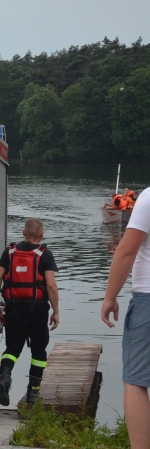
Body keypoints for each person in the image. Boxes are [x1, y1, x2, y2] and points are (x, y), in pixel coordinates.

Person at [0, 218, 60, 406]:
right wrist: (56, 311)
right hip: (37, 309)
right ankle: (32, 394)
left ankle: (4, 377)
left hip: (13, 308)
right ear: (42, 234)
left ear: (23, 233)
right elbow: (51, 285)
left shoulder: (10, 252)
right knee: (38, 351)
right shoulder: (45, 255)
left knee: (12, 349)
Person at [101, 186, 150, 448]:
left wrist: (110, 297)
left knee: (136, 381)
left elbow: (127, 251)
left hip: (148, 300)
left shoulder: (149, 198)